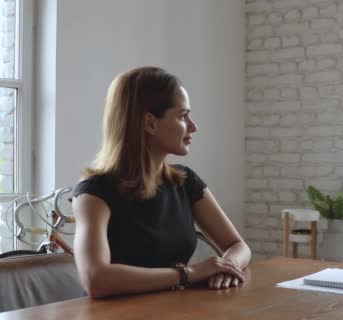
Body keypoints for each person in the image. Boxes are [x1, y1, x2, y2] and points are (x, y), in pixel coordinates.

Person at [73, 66, 251, 298]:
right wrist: (190, 273)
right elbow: (95, 279)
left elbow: (238, 246)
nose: (193, 127)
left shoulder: (186, 182)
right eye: (182, 116)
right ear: (150, 123)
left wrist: (227, 267)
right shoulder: (94, 194)